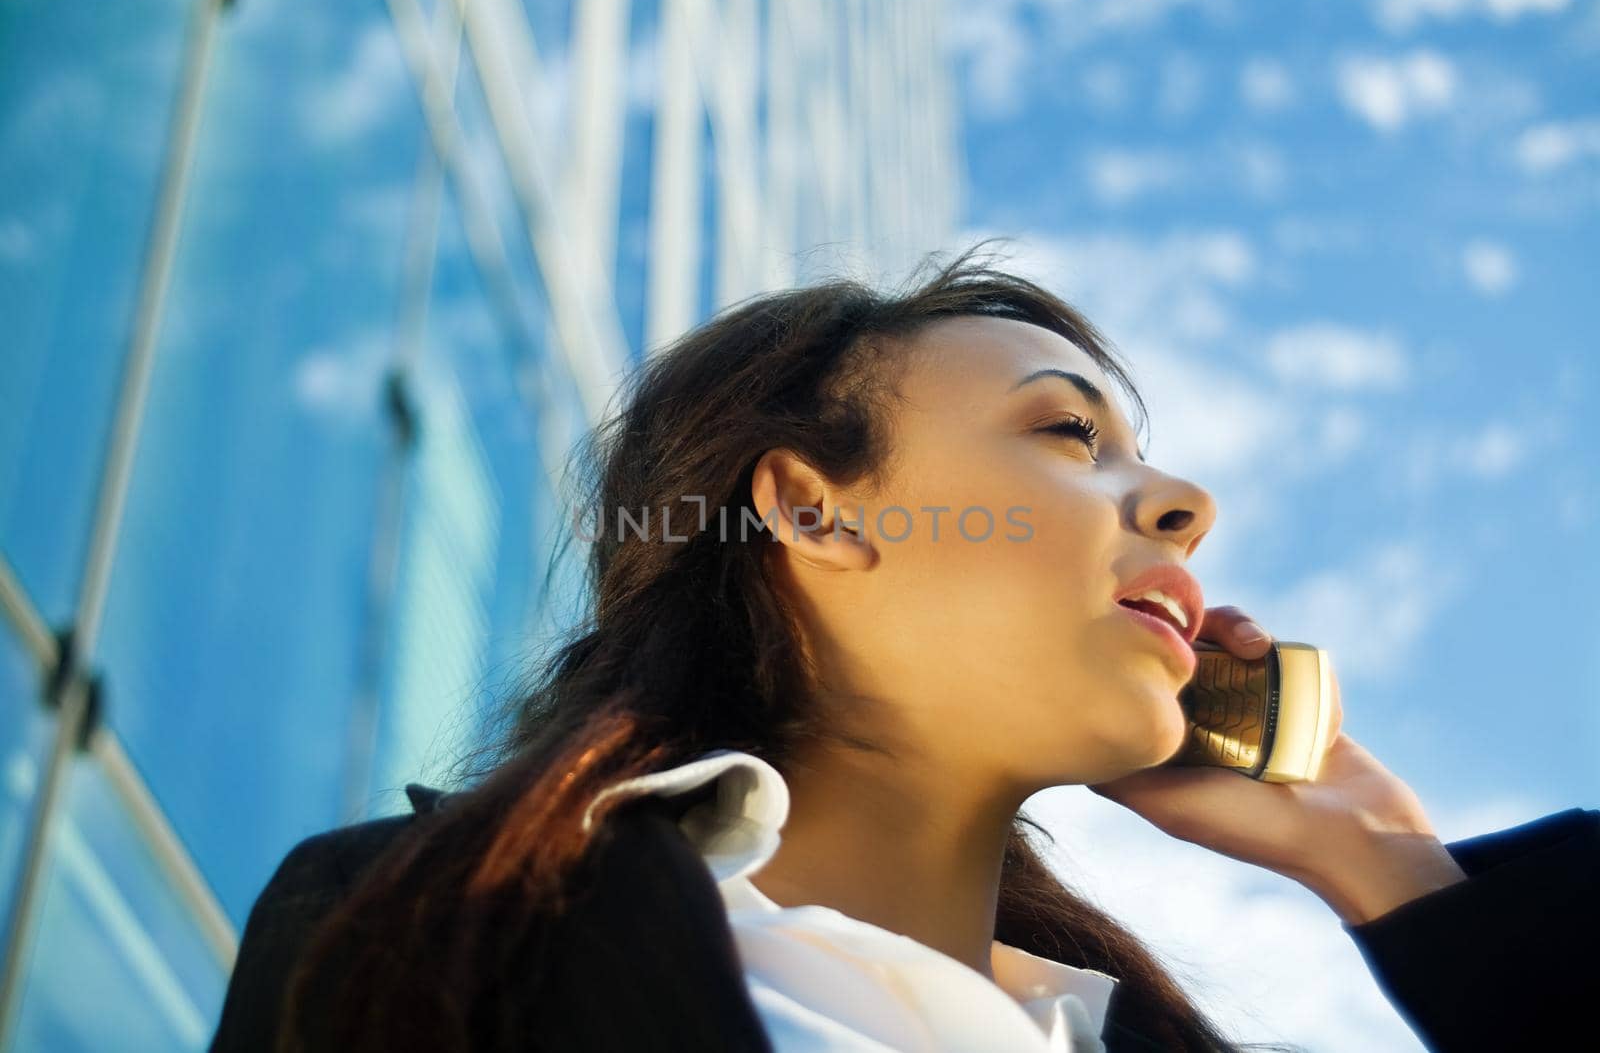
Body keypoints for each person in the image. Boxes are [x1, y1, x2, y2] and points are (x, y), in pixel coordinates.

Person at [210, 250, 1599, 1053]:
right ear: (812, 509)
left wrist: (1392, 872)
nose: (1185, 503)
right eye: (1069, 434)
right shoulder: (440, 934)